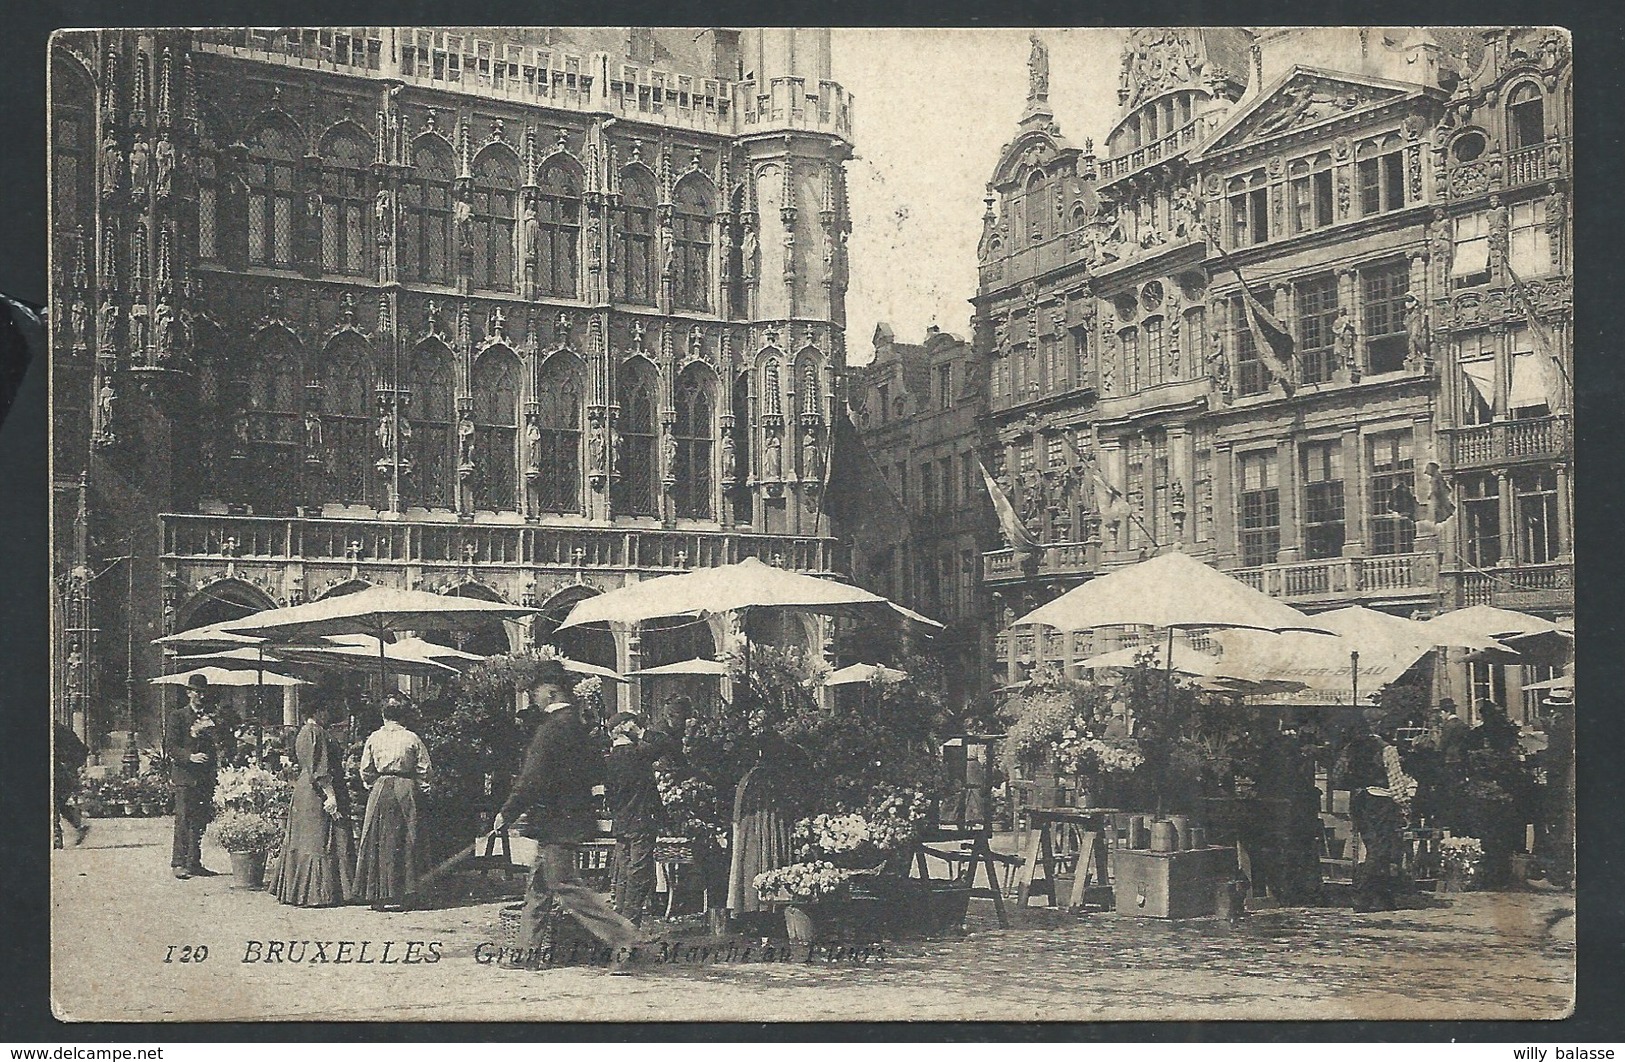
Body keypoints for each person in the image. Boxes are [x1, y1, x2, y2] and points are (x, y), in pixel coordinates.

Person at [491, 660, 649, 971]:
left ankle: (626, 939)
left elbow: (530, 779)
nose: (533, 699)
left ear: (550, 692)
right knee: (538, 887)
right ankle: (528, 952)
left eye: (535, 692)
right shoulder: (578, 727)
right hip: (569, 818)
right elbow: (595, 770)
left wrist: (507, 812)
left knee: (565, 885)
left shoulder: (550, 730)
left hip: (555, 823)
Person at [605, 700, 689, 925]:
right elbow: (667, 746)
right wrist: (641, 732)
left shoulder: (610, 759)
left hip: (621, 823)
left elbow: (611, 796)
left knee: (623, 871)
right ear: (624, 728)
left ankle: (619, 920)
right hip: (641, 822)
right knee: (640, 873)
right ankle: (630, 922)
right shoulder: (638, 754)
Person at [269, 701, 354, 907]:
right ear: (318, 710)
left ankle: (310, 891)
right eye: (326, 710)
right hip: (317, 792)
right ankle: (315, 893)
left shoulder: (307, 732)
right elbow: (319, 767)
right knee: (317, 839)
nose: (329, 714)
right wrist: (330, 796)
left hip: (309, 789)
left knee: (314, 838)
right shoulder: (313, 732)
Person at [353, 691, 432, 911]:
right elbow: (425, 770)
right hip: (407, 788)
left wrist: (374, 785)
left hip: (381, 789)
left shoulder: (374, 738)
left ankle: (377, 894)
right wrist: (422, 790)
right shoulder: (412, 738)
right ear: (404, 715)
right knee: (408, 838)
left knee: (377, 839)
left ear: (383, 714)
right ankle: (408, 893)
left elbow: (366, 770)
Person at [727, 731, 812, 929]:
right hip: (770, 826)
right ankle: (766, 907)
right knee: (767, 858)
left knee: (756, 862)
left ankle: (758, 907)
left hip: (754, 829)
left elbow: (738, 812)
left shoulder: (753, 776)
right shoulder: (773, 776)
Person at [1333, 710, 1415, 913]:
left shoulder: (1351, 747)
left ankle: (1384, 896)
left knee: (1373, 847)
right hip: (1381, 802)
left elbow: (1338, 775)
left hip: (1360, 800)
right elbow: (1395, 782)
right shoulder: (1387, 749)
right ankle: (1361, 895)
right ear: (1379, 726)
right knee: (1381, 850)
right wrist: (1404, 805)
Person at [166, 675, 223, 879]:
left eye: (202, 691)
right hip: (185, 776)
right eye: (196, 691)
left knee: (200, 820)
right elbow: (171, 747)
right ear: (188, 693)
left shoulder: (209, 717)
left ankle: (194, 862)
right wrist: (190, 756)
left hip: (204, 777)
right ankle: (178, 862)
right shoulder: (178, 716)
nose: (200, 695)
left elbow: (216, 746)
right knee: (183, 818)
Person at [54, 723, 91, 849]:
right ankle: (79, 825)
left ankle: (56, 836)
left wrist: (70, 767)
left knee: (54, 803)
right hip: (61, 773)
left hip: (60, 774)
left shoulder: (57, 729)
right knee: (58, 804)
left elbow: (81, 751)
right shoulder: (58, 728)